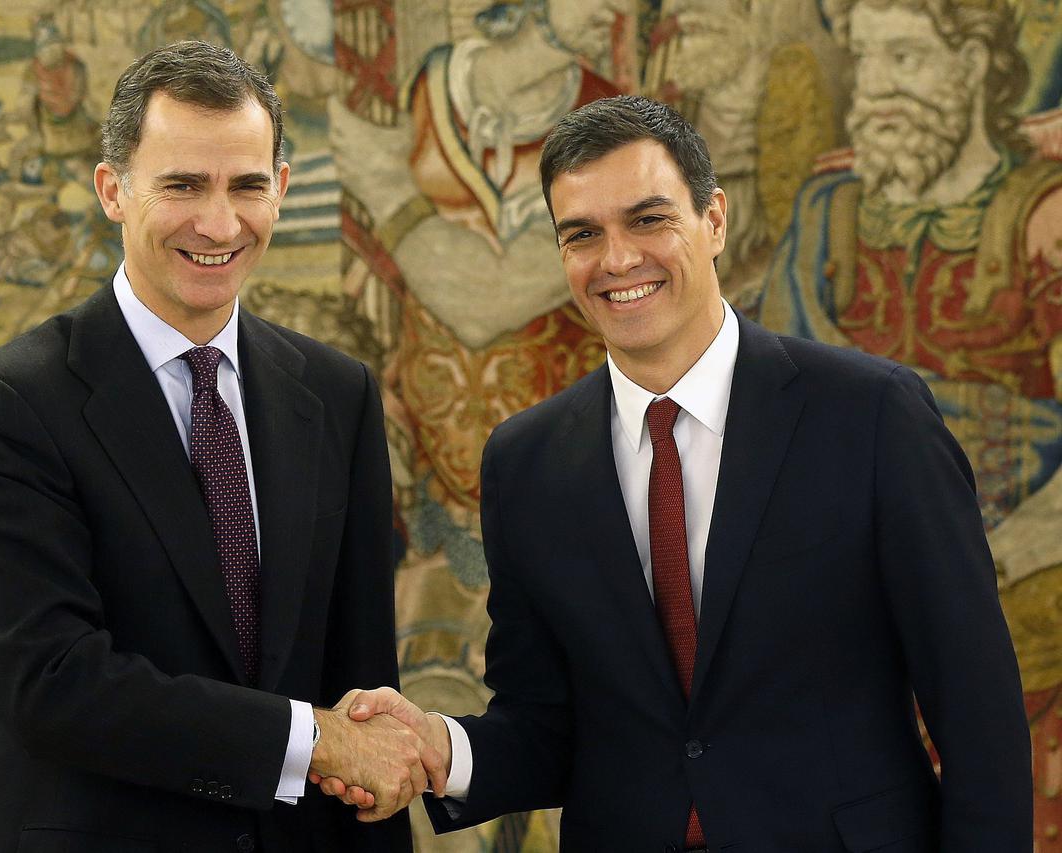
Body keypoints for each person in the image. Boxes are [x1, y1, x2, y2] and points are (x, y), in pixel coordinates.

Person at [318, 95, 1032, 850]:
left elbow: (977, 710)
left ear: (714, 220)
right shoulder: (525, 462)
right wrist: (440, 747)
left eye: (648, 219)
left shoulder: (872, 416)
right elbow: (548, 723)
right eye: (583, 234)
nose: (618, 259)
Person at [0, 41, 437, 852]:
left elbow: (362, 696)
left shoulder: (338, 395)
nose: (218, 222)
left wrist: (353, 753)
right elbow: (53, 684)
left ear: (280, 190)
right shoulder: (5, 407)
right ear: (113, 191)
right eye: (183, 186)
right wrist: (312, 740)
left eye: (245, 186)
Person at [756, 0, 1062, 842]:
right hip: (845, 622)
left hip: (1022, 591)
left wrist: (969, 570)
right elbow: (768, 426)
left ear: (973, 68)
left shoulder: (1046, 215)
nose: (875, 88)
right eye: (865, 62)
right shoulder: (829, 211)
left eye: (905, 60)